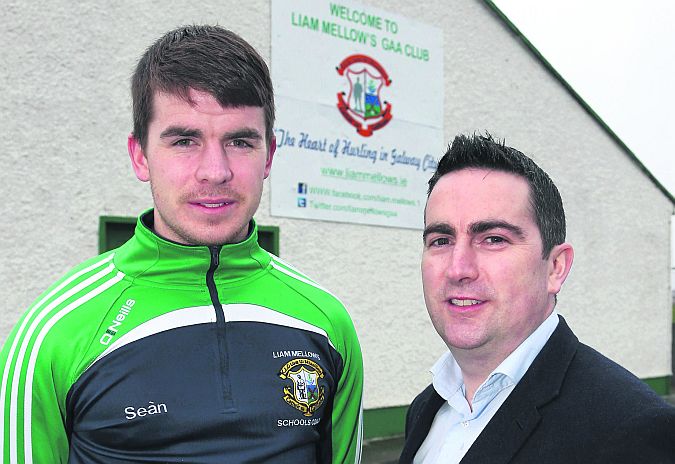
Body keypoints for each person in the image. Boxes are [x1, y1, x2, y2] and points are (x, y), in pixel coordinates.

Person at [0, 25, 363, 463]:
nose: (216, 171)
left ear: (268, 156)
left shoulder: (327, 322)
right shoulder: (52, 335)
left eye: (240, 141)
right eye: (185, 141)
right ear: (140, 156)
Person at [399, 134, 675, 464]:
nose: (458, 269)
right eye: (441, 240)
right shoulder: (425, 409)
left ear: (555, 268)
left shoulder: (630, 428)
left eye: (493, 239)